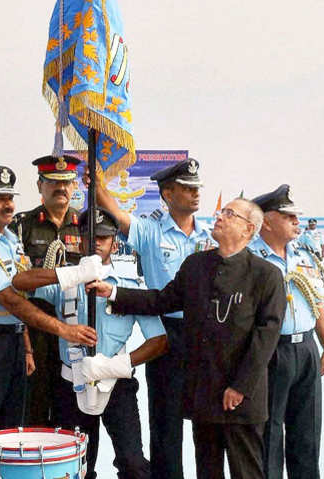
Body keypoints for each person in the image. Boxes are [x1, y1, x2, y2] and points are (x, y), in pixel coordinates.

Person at [89, 198, 285, 479]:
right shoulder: (196, 265)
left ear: (248, 229)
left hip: (240, 397)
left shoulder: (266, 275)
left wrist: (240, 386)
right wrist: (115, 293)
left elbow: (266, 337)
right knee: (207, 469)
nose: (220, 216)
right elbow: (162, 300)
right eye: (222, 211)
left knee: (247, 471)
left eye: (230, 214)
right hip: (204, 392)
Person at [85, 158, 216, 479]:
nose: (195, 194)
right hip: (167, 333)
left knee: (209, 423)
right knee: (166, 421)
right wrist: (98, 185)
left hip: (208, 335)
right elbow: (116, 215)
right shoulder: (149, 230)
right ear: (167, 194)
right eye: (186, 189)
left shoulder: (212, 234)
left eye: (197, 188)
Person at [0, 165, 105, 434]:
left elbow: (26, 283)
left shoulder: (8, 240)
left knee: (12, 429)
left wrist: (75, 279)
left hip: (13, 340)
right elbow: (12, 301)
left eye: (10, 198)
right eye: (0, 198)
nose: (8, 205)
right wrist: (66, 330)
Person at [35, 208, 167, 479]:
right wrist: (68, 275)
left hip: (116, 383)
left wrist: (119, 364)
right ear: (79, 239)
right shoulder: (66, 282)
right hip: (72, 382)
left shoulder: (129, 286)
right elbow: (21, 283)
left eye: (104, 237)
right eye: (89, 235)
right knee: (76, 467)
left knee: (133, 463)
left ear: (114, 242)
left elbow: (159, 340)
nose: (96, 242)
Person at [248, 184, 324, 479]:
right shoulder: (250, 259)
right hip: (270, 352)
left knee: (307, 431)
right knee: (269, 433)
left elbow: (316, 300)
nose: (297, 221)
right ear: (267, 221)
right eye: (289, 216)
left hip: (306, 350)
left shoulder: (304, 256)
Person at [9, 154, 85, 428]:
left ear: (75, 186)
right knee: (35, 403)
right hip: (37, 324)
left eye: (67, 182)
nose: (61, 188)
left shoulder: (87, 225)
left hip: (76, 325)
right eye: (53, 182)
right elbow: (14, 286)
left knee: (72, 406)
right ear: (40, 185)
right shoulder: (22, 226)